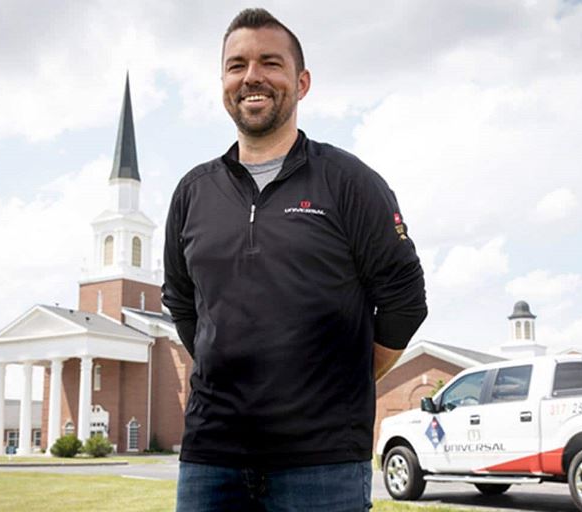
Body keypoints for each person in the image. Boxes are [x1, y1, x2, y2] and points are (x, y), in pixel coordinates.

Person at [162, 8, 427, 511]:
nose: (252, 77)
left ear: (301, 83)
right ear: (223, 82)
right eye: (236, 65)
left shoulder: (350, 182)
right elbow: (181, 301)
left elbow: (404, 300)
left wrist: (345, 377)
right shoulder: (192, 193)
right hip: (211, 459)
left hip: (322, 462)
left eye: (270, 63)